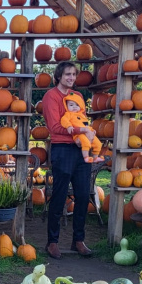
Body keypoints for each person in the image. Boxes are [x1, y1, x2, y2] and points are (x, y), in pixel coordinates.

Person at [43, 62, 95, 259]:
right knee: (60, 195)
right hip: (62, 149)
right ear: (59, 76)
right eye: (67, 74)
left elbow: (81, 120)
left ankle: (78, 241)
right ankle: (52, 242)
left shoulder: (78, 97)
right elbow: (55, 127)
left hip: (80, 149)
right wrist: (81, 131)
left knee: (83, 195)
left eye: (73, 74)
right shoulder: (51, 97)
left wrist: (88, 132)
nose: (71, 78)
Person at [60, 94, 104, 163]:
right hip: (78, 134)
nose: (74, 107)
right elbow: (64, 120)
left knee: (98, 143)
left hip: (87, 133)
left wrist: (92, 130)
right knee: (85, 143)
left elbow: (86, 125)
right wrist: (69, 126)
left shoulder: (82, 116)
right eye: (71, 105)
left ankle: (95, 157)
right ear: (66, 106)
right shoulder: (68, 114)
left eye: (77, 105)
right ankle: (86, 157)